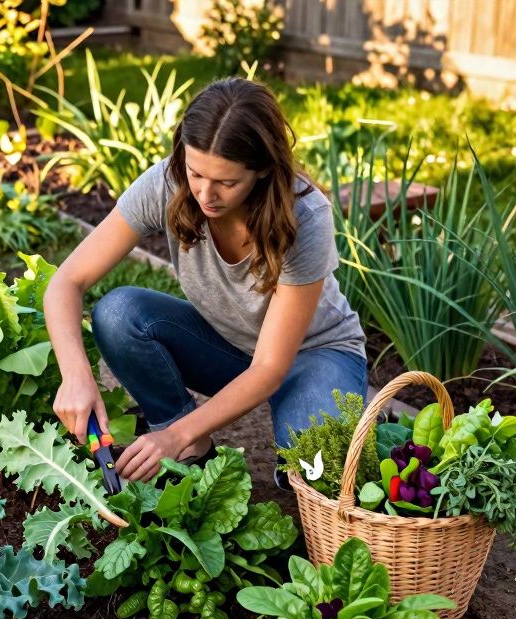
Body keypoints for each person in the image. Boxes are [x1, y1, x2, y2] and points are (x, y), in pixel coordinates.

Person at [44, 76, 367, 483]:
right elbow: (66, 281)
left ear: (263, 169)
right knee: (119, 311)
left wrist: (172, 438)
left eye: (227, 182)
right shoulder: (168, 182)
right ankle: (186, 443)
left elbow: (269, 367)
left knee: (316, 473)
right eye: (196, 173)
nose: (205, 194)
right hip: (230, 349)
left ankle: (354, 417)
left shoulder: (304, 216)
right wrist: (75, 377)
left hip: (313, 354)